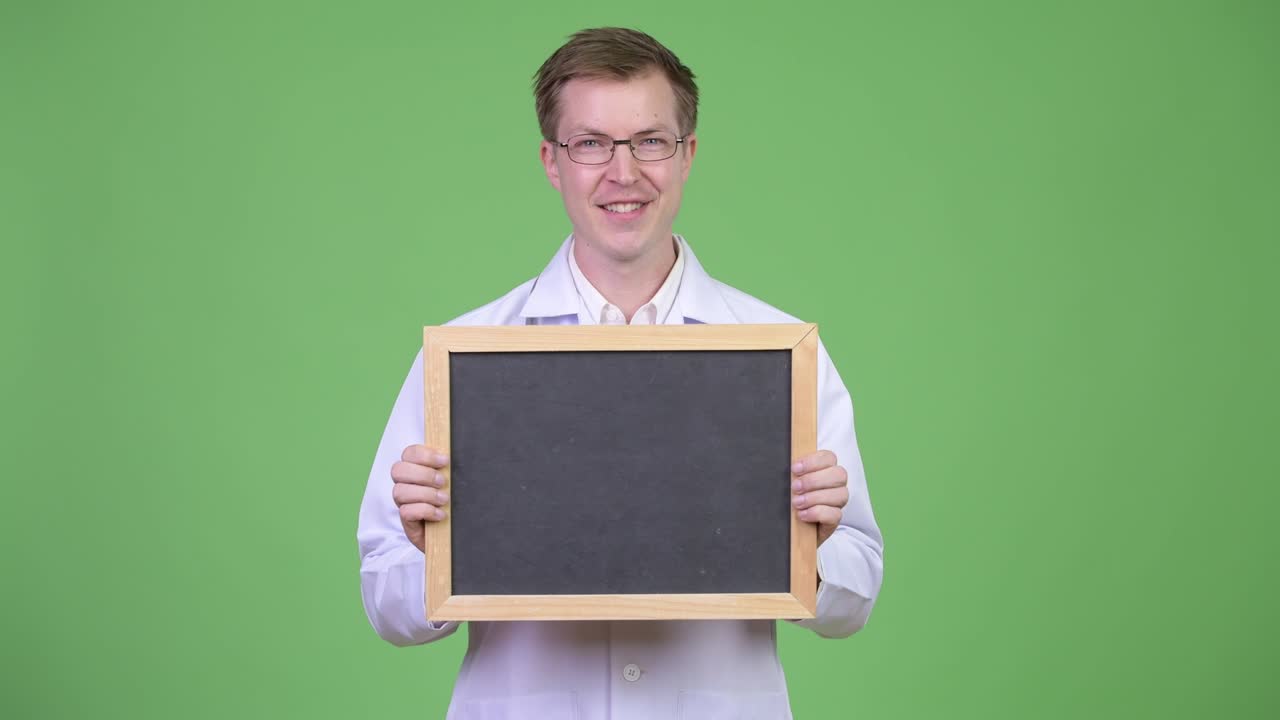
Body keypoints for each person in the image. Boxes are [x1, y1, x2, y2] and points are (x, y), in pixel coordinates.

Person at [357, 27, 884, 720]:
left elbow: (857, 590)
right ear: (552, 161)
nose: (623, 172)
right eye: (591, 143)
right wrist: (439, 551)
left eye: (649, 141)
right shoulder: (464, 359)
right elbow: (386, 603)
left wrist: (809, 548)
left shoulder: (780, 356)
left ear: (688, 154)